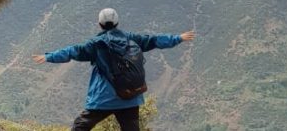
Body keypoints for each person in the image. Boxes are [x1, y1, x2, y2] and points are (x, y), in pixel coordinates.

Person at [32, 8, 196, 131]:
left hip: (104, 99)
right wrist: (178, 38)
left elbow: (72, 52)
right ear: (117, 23)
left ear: (100, 24)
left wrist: (48, 56)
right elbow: (154, 40)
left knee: (80, 126)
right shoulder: (131, 38)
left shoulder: (97, 45)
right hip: (131, 97)